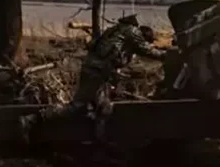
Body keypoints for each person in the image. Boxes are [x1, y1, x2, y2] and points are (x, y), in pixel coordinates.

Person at [19, 15, 171, 141]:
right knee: (77, 106)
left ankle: (98, 140)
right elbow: (147, 51)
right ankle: (32, 119)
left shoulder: (117, 30)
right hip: (96, 73)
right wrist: (167, 55)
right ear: (144, 35)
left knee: (102, 107)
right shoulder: (133, 32)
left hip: (93, 70)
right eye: (147, 40)